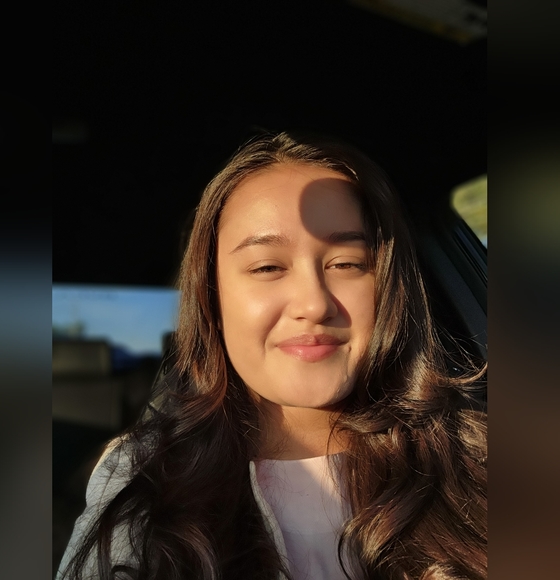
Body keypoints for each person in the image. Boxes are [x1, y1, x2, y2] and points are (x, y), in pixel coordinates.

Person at [57, 131, 487, 580]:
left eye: (346, 264)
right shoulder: (146, 477)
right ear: (211, 302)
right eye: (267, 267)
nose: (314, 304)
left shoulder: (478, 463)